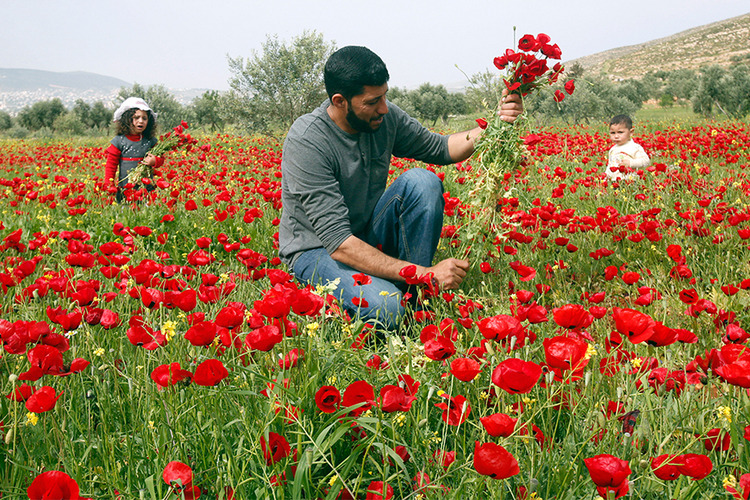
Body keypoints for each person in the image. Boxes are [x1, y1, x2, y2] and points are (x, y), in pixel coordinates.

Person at [279, 46, 523, 331]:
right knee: (388, 308)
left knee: (422, 181)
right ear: (340, 101)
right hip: (318, 249)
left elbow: (441, 148)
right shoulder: (308, 140)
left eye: (384, 96)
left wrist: (496, 124)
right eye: (372, 101)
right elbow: (339, 243)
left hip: (365, 235)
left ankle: (415, 297)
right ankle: (411, 286)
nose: (383, 107)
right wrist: (425, 273)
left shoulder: (383, 117)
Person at [104, 97, 164, 203]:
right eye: (136, 117)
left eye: (144, 118)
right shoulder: (119, 141)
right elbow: (111, 165)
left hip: (147, 190)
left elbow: (161, 159)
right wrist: (109, 186)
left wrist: (155, 161)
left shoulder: (150, 141)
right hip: (126, 190)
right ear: (127, 120)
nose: (141, 121)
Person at [606, 114, 650, 182]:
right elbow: (610, 166)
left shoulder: (635, 147)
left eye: (620, 132)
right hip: (614, 181)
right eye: (613, 133)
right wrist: (606, 178)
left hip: (630, 180)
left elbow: (646, 161)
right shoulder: (613, 149)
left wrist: (630, 163)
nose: (616, 136)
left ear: (631, 132)